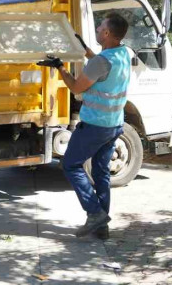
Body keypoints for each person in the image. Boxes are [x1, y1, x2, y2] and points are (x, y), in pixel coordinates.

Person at [37, 13, 131, 239]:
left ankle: (95, 212)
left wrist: (60, 66)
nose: (98, 29)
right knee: (101, 174)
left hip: (95, 126)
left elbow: (77, 88)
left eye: (100, 27)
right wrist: (85, 49)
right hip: (114, 125)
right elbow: (101, 64)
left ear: (107, 33)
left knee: (70, 165)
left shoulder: (101, 61)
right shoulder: (123, 54)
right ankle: (101, 227)